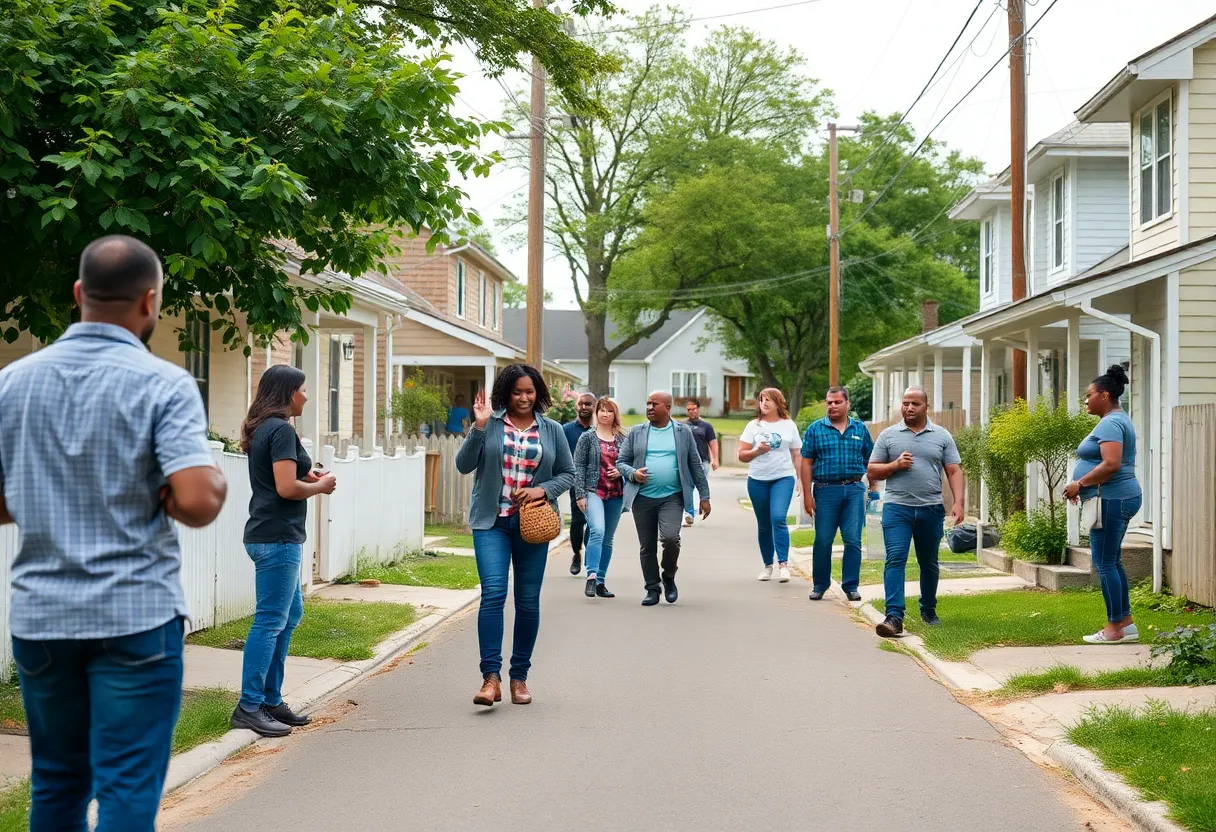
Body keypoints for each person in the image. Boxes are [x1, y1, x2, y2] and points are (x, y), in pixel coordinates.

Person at [0, 235, 228, 830]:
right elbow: (199, 502)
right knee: (127, 787)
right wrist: (202, 484)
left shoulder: (13, 382)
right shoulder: (162, 383)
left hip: (43, 616)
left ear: (79, 294)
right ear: (149, 302)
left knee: (55, 783)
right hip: (136, 616)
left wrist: (44, 487)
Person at [456, 364, 575, 706]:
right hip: (491, 523)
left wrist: (543, 490)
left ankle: (519, 678)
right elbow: (464, 466)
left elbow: (568, 474)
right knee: (493, 593)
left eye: (530, 392)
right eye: (517, 392)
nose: (524, 398)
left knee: (527, 601)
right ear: (506, 393)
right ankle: (490, 679)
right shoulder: (489, 425)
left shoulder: (551, 430)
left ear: (538, 394)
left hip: (532, 525)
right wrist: (478, 428)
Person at [233, 365, 337, 738]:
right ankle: (248, 706)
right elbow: (285, 489)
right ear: (287, 393)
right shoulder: (280, 429)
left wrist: (306, 477)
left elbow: (284, 479)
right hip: (277, 538)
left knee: (289, 615)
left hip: (272, 534)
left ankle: (270, 699)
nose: (306, 396)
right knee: (271, 620)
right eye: (303, 389)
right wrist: (321, 486)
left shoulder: (267, 429)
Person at [867, 387, 965, 637]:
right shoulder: (889, 436)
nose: (909, 408)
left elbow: (954, 470)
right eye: (905, 403)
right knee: (896, 558)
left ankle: (928, 610)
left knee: (929, 562)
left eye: (915, 404)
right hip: (897, 508)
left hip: (930, 509)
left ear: (926, 407)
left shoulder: (941, 436)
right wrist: (895, 465)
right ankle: (894, 617)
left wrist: (959, 502)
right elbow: (872, 471)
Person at [1063, 365, 1142, 644]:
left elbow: (1111, 464)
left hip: (1113, 498)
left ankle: (1113, 629)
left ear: (1105, 395)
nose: (1086, 400)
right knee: (1112, 561)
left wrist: (1079, 483)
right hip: (1115, 496)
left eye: (1089, 395)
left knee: (1105, 563)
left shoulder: (1110, 423)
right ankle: (1126, 623)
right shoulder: (1117, 419)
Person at [616, 391, 711, 606]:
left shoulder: (682, 432)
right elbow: (621, 461)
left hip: (672, 496)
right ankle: (652, 588)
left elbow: (695, 464)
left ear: (667, 408)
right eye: (647, 403)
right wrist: (633, 474)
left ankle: (668, 577)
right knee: (647, 546)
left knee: (670, 538)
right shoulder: (637, 432)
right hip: (643, 497)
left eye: (654, 404)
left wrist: (704, 495)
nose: (649, 407)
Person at [800, 386, 874, 602]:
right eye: (829, 402)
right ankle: (820, 584)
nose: (832, 406)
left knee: (853, 539)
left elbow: (871, 459)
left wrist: (874, 487)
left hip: (854, 489)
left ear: (847, 404)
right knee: (823, 539)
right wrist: (807, 494)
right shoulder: (816, 429)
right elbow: (806, 462)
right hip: (825, 490)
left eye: (837, 402)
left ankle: (851, 585)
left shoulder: (860, 429)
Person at [738, 389, 803, 583]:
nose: (764, 403)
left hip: (782, 478)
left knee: (778, 518)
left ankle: (783, 564)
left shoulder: (789, 425)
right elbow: (741, 455)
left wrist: (801, 479)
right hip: (757, 480)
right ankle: (768, 566)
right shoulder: (753, 426)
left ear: (778, 402)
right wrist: (757, 451)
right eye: (761, 400)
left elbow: (796, 454)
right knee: (764, 524)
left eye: (768, 400)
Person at [573, 397, 627, 599]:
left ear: (615, 414)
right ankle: (591, 576)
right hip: (593, 490)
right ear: (597, 413)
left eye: (609, 411)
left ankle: (601, 581)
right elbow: (578, 466)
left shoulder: (623, 438)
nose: (605, 414)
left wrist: (621, 471)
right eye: (601, 410)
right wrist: (580, 494)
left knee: (608, 538)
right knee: (597, 530)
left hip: (616, 493)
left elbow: (630, 463)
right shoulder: (587, 438)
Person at [563, 392, 596, 575]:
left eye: (588, 404)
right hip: (575, 481)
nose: (584, 407)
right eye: (581, 404)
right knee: (577, 521)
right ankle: (576, 553)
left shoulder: (599, 429)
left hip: (597, 482)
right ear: (577, 406)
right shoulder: (566, 430)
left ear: (594, 406)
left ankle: (590, 555)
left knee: (593, 521)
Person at [682, 398, 719, 527]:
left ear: (698, 409)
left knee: (699, 486)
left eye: (693, 409)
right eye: (689, 410)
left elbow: (713, 443)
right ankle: (689, 514)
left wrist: (715, 459)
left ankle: (697, 508)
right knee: (687, 487)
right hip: (686, 462)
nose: (691, 412)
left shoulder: (706, 426)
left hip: (702, 461)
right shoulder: (683, 426)